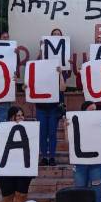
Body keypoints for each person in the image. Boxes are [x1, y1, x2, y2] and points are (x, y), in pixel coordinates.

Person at [33, 32, 68, 166]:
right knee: (43, 134)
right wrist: (41, 49)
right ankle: (44, 156)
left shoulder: (58, 69)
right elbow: (33, 68)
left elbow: (63, 88)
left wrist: (59, 74)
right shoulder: (39, 68)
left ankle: (52, 156)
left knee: (52, 133)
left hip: (53, 107)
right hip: (41, 107)